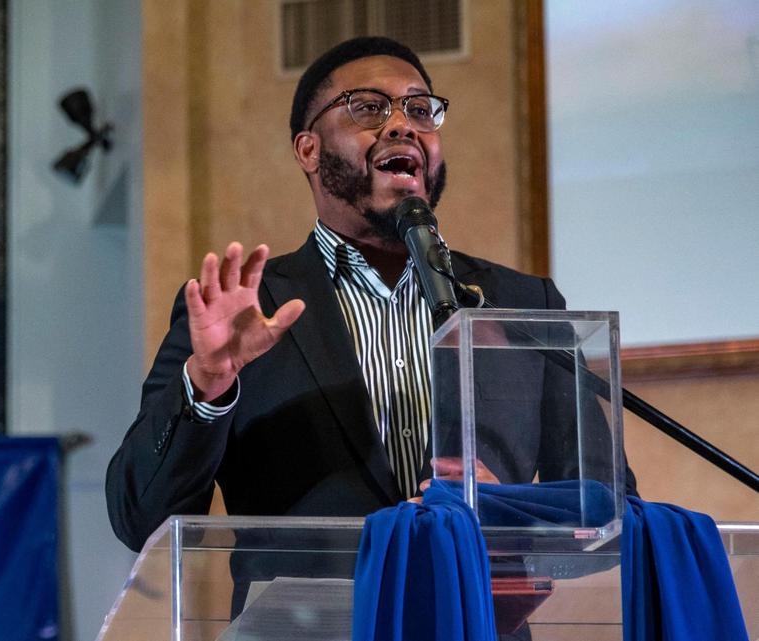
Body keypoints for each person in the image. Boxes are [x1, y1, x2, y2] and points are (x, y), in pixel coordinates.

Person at [106, 36, 635, 554]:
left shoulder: (521, 304)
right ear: (308, 149)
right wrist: (207, 389)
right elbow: (139, 519)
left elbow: (610, 508)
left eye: (421, 110)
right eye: (368, 108)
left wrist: (511, 510)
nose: (403, 124)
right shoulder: (246, 309)